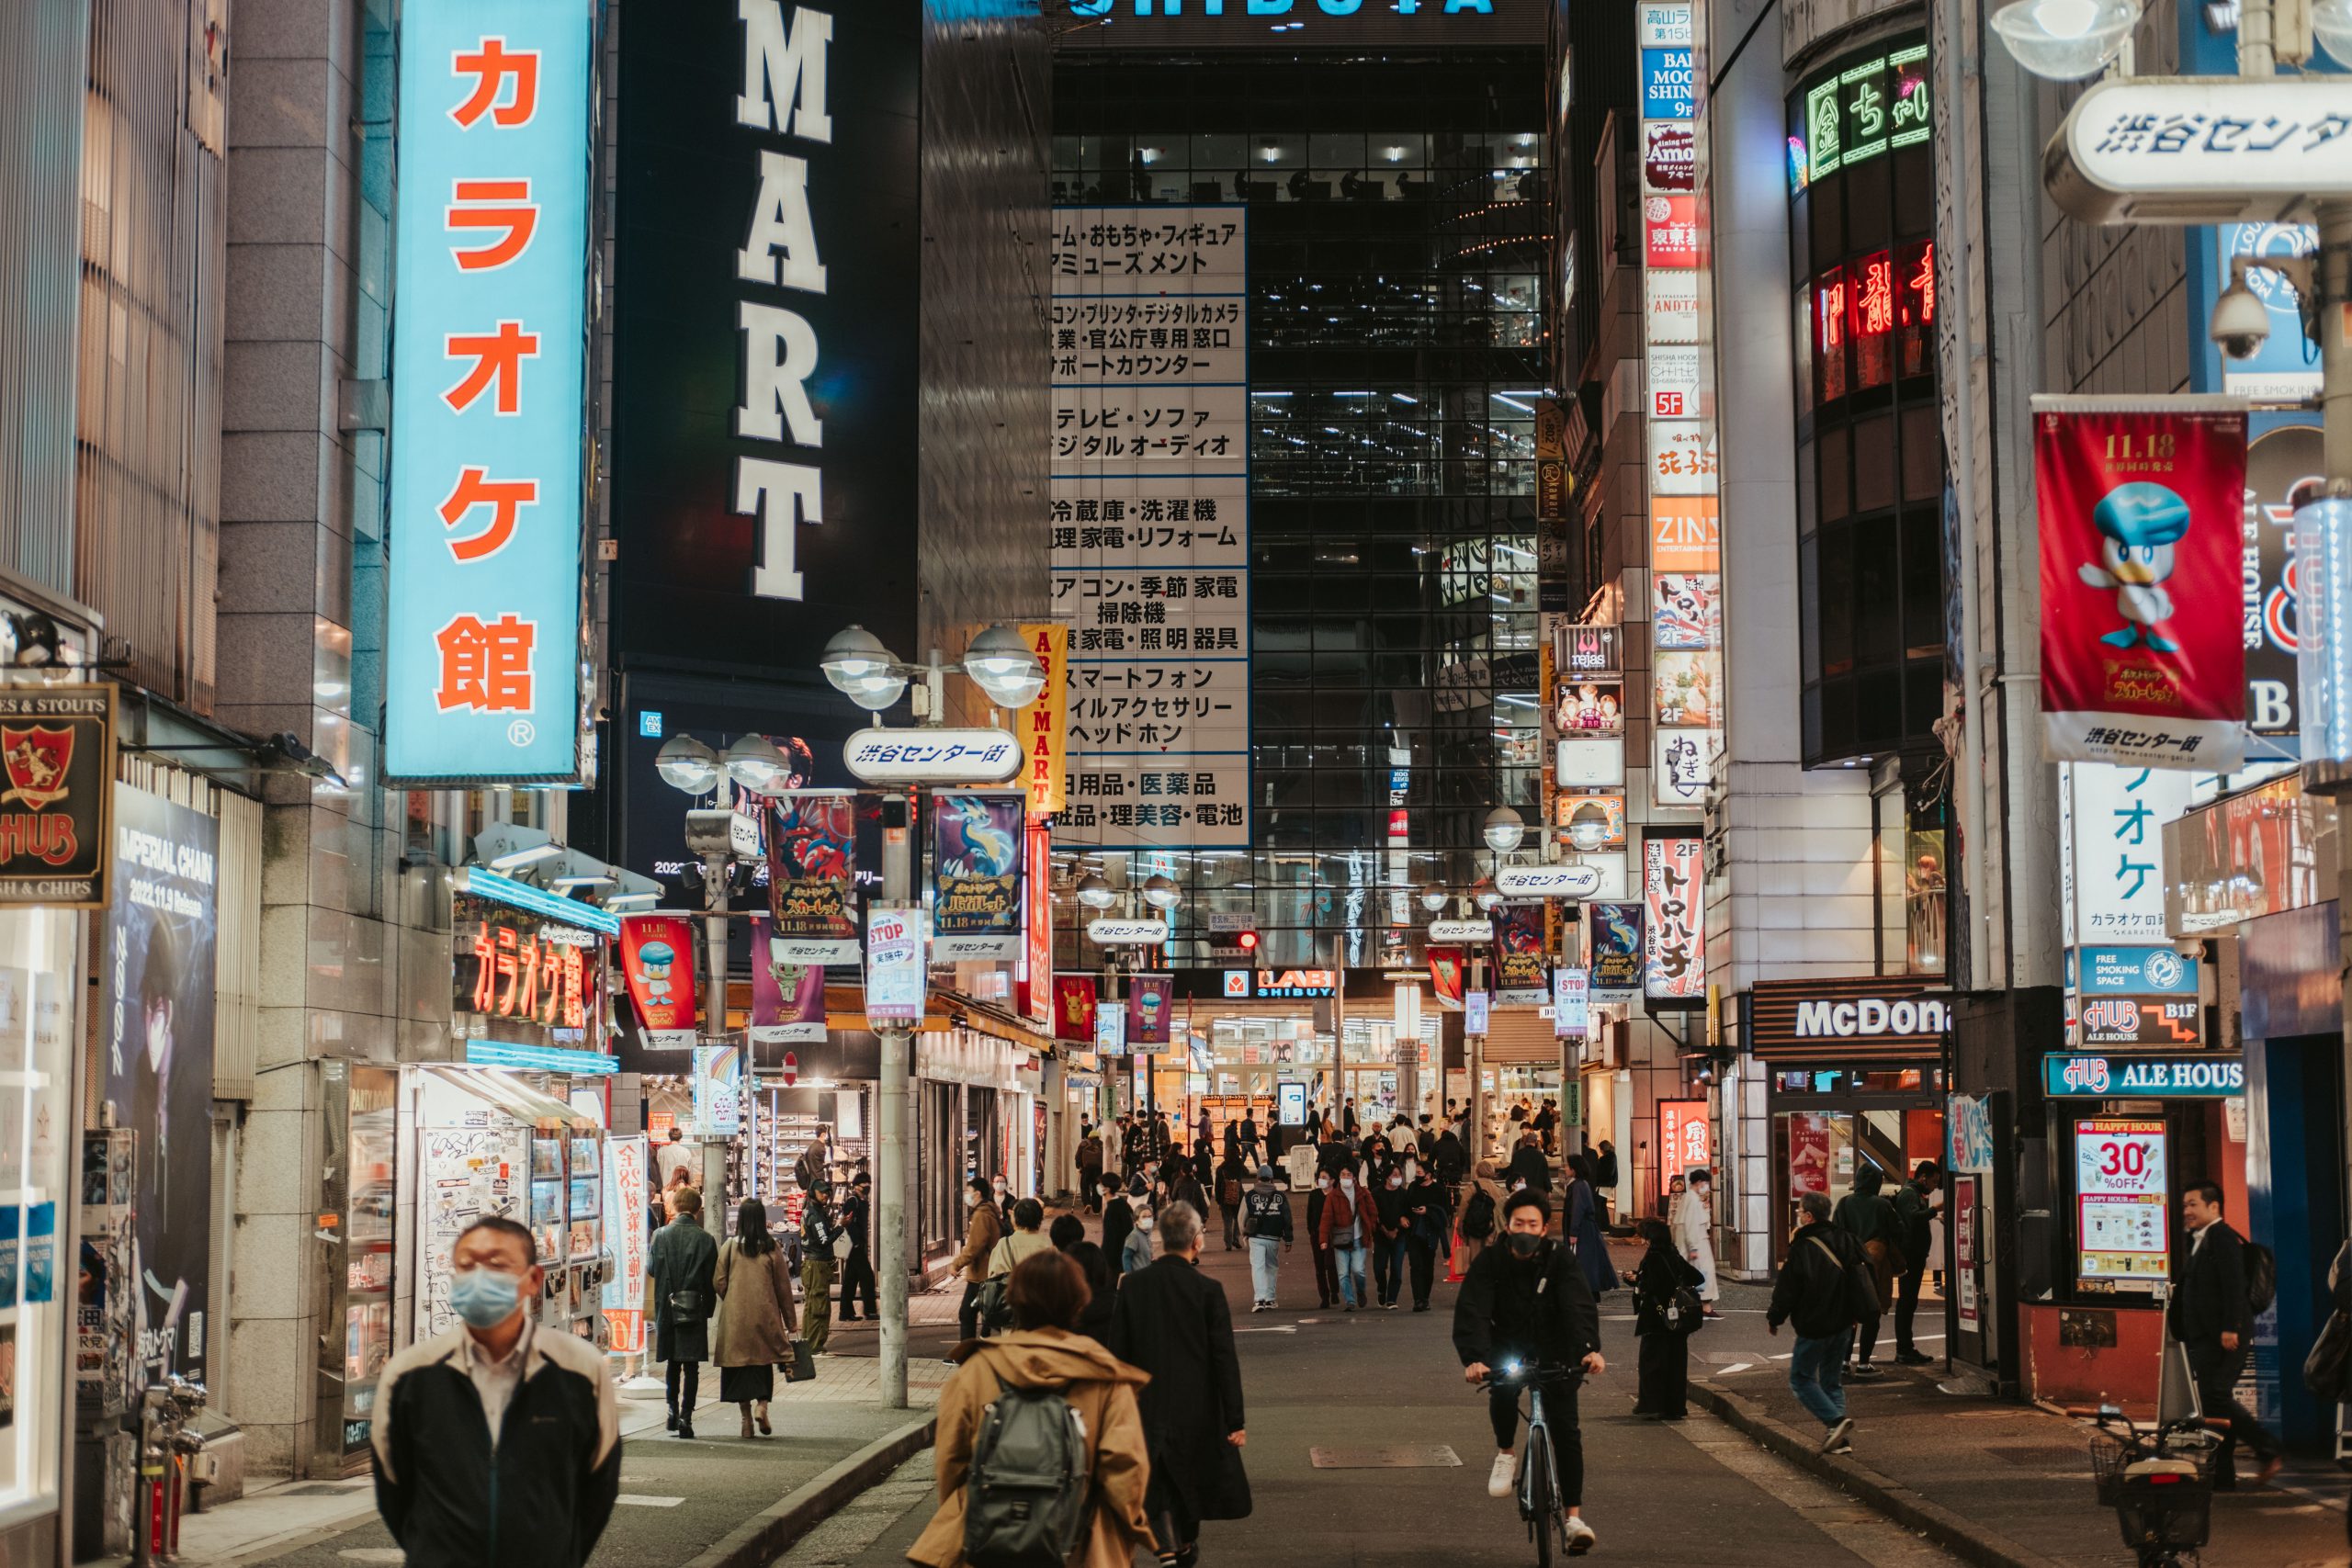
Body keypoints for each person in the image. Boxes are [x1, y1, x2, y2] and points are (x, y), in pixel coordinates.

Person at [371, 1216, 619, 1566]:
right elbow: (394, 1488)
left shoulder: (580, 1369)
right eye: (467, 1264)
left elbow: (598, 1484)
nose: (480, 1275)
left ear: (533, 1279)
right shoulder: (410, 1373)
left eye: (497, 1264)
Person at [910, 1251, 1155, 1568]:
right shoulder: (1104, 1378)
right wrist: (1132, 1529)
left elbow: (951, 1463)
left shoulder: (975, 1371)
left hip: (992, 1542)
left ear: (1011, 1300)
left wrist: (968, 1515)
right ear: (1079, 1302)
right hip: (1079, 1546)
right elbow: (1126, 1472)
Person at [1453, 1189, 1606, 1555]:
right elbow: (1473, 1309)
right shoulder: (1491, 1260)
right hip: (1507, 1346)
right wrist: (1475, 1358)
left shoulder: (1560, 1260)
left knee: (1567, 1431)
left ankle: (1573, 1519)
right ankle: (1506, 1452)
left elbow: (1578, 1304)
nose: (1524, 1228)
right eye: (1518, 1222)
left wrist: (1589, 1350)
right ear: (1508, 1224)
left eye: (1532, 1223)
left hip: (1558, 1349)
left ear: (1543, 1228)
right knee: (1502, 1390)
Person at [1108, 1203, 1250, 1564]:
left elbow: (1118, 1352)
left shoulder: (1133, 1287)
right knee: (1188, 1477)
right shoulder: (1207, 1290)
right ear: (1196, 1242)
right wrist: (1235, 1419)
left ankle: (1168, 1540)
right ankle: (1182, 1543)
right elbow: (1223, 1357)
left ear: (1159, 1238)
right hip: (1196, 1405)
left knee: (1155, 1476)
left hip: (1145, 1401)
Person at [2171, 1181, 2281, 1487]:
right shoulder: (2199, 1238)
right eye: (2185, 1205)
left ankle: (2267, 1448)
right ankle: (2223, 1475)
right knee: (2214, 1402)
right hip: (2205, 1335)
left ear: (2214, 1206)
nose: (2187, 1211)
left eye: (2193, 1204)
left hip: (2224, 1334)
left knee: (2216, 1395)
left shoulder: (2221, 1237)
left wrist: (2231, 1327)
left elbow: (2234, 1285)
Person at [1769, 1190, 1866, 1455]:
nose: (1798, 1216)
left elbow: (1788, 1289)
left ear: (1809, 1216)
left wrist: (1775, 1317)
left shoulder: (1802, 1246)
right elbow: (1861, 1275)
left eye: (1800, 1212)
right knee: (1831, 1381)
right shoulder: (1845, 1239)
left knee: (1801, 1378)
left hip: (1814, 1322)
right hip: (1844, 1321)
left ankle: (1834, 1422)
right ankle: (1840, 1440)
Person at [712, 1197, 797, 1438]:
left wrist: (733, 1298)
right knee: (763, 1364)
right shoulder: (771, 1247)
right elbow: (783, 1287)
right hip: (765, 1315)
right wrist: (791, 1323)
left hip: (736, 1320)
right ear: (762, 1220)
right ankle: (762, 1406)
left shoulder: (729, 1246)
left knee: (737, 1369)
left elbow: (718, 1281)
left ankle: (746, 1420)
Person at [648, 1186, 718, 1438]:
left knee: (672, 1363)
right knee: (691, 1367)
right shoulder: (706, 1240)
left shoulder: (660, 1235)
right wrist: (708, 1311)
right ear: (698, 1209)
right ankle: (687, 1417)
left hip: (667, 1308)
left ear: (675, 1206)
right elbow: (712, 1281)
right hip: (694, 1308)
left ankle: (671, 1411)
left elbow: (652, 1269)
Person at [1625, 1217, 1704, 1420]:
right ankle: (1675, 1407)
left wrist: (1636, 1279)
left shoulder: (1653, 1257)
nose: (1642, 1241)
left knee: (1652, 1363)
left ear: (1650, 1238)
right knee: (1676, 1365)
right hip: (1678, 1319)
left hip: (1656, 1318)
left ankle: (1652, 1405)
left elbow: (1650, 1286)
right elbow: (1697, 1278)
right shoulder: (1674, 1254)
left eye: (1643, 1237)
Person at [1833, 1165, 1899, 1378]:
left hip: (1849, 1265)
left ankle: (1843, 1362)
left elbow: (1835, 1232)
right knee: (1872, 1313)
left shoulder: (1844, 1203)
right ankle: (1863, 1364)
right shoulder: (1882, 1205)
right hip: (1874, 1267)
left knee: (1849, 1315)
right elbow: (1899, 1230)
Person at [1890, 1160, 1939, 1365]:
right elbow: (1913, 1218)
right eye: (1934, 1181)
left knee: (1908, 1301)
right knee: (1907, 1301)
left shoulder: (1913, 1193)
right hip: (1910, 1255)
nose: (1935, 1186)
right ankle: (1904, 1349)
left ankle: (1906, 1348)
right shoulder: (1910, 1193)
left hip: (1913, 1255)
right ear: (1923, 1177)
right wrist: (1935, 1210)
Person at [948, 1177, 1005, 1355]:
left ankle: (966, 1353)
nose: (966, 1195)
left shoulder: (981, 1215)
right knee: (985, 1313)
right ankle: (972, 1350)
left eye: (968, 1192)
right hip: (986, 1271)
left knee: (968, 1313)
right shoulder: (989, 1211)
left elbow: (975, 1245)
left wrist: (957, 1264)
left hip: (981, 1273)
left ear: (977, 1193)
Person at [1318, 1163, 1377, 1312]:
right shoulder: (1333, 1196)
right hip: (1340, 1240)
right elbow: (1326, 1219)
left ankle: (1360, 1291)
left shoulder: (1363, 1193)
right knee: (1343, 1273)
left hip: (1359, 1237)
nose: (1345, 1177)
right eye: (1343, 1175)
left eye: (1348, 1175)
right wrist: (1323, 1240)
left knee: (1358, 1270)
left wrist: (1370, 1228)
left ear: (1354, 1177)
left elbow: (1373, 1212)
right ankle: (1350, 1301)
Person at [1562, 1155, 1615, 1302]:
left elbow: (1577, 1210)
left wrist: (1573, 1232)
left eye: (1568, 1166)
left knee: (1582, 1262)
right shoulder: (1581, 1184)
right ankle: (1591, 1293)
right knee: (1588, 1262)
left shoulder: (1578, 1185)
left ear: (1574, 1169)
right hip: (1586, 1229)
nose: (1565, 1168)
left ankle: (1585, 1293)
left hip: (1582, 1230)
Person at [1243, 1163, 1294, 1312]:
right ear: (1272, 1179)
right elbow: (1287, 1218)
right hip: (1273, 1237)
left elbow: (1242, 1216)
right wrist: (1288, 1238)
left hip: (1256, 1236)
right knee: (1271, 1267)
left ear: (1258, 1178)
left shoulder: (1250, 1195)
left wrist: (1245, 1232)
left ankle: (1259, 1299)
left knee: (1257, 1267)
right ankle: (1271, 1298)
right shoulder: (1280, 1196)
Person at [799, 1179, 840, 1358]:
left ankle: (809, 1344)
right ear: (813, 1193)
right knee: (819, 1306)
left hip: (811, 1264)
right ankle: (816, 1346)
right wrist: (840, 1228)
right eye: (822, 1192)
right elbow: (824, 1240)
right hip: (817, 1265)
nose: (826, 1196)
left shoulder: (809, 1211)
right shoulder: (815, 1215)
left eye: (828, 1193)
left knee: (811, 1305)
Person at [1673, 1168, 1720, 1316]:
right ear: (1699, 1182)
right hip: (1697, 1244)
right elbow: (1692, 1224)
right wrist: (1693, 1248)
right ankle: (1705, 1306)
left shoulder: (1688, 1198)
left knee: (1696, 1274)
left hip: (1692, 1243)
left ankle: (1700, 1305)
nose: (1706, 1187)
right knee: (1703, 1273)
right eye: (1705, 1183)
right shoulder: (1692, 1199)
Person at [1403, 1160, 1446, 1312]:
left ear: (1428, 1175)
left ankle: (1425, 1298)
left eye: (1420, 1173)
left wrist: (1427, 1211)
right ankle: (1418, 1299)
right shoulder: (1413, 1187)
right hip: (1414, 1231)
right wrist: (1404, 1217)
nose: (1417, 1175)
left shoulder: (1439, 1190)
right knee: (1415, 1265)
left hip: (1430, 1232)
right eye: (1416, 1173)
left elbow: (1445, 1212)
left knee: (1428, 1266)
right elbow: (1405, 1206)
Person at [837, 1172, 876, 1323]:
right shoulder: (852, 1201)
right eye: (864, 1184)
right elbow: (849, 1224)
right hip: (854, 1245)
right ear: (857, 1186)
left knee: (850, 1280)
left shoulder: (862, 1200)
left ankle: (845, 1312)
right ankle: (870, 1310)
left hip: (858, 1244)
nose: (867, 1187)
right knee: (867, 1277)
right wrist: (857, 1242)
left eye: (868, 1184)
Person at [1373, 1162, 1411, 1310]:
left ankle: (1392, 1299)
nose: (1397, 1177)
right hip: (1381, 1236)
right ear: (1387, 1177)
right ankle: (1382, 1289)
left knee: (1397, 1268)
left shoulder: (1404, 1194)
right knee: (1379, 1267)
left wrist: (1398, 1228)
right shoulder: (1377, 1193)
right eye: (1394, 1175)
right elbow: (1374, 1215)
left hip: (1399, 1236)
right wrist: (1384, 1229)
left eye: (1399, 1175)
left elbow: (1408, 1215)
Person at [1456, 1160, 1506, 1269]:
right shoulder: (1498, 1190)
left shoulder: (1471, 1188)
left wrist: (1460, 1227)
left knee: (1475, 1259)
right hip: (1492, 1227)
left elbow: (1463, 1208)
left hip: (1474, 1226)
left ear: (1477, 1171)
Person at [989, 1197, 1054, 1280]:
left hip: (1013, 1291)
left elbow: (994, 1278)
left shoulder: (1004, 1244)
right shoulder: (1049, 1245)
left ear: (1015, 1219)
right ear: (1040, 1219)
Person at [1306, 1171, 1340, 1308]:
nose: (1321, 1180)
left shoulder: (1337, 1195)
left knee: (1330, 1264)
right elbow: (1310, 1214)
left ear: (1332, 1180)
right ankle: (1324, 1296)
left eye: (1324, 1178)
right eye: (1320, 1177)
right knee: (1319, 1267)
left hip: (1332, 1234)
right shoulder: (1314, 1195)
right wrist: (1312, 1230)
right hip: (1316, 1234)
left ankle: (1334, 1291)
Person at [1215, 1151, 1249, 1251]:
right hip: (1238, 1195)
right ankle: (1236, 1239)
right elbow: (1247, 1173)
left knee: (1227, 1220)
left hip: (1225, 1197)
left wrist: (1218, 1200)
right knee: (1238, 1218)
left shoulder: (1221, 1169)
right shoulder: (1239, 1167)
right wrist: (1241, 1162)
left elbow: (1217, 1185)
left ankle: (1228, 1243)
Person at [1102, 1179, 1138, 1273]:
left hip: (1116, 1256)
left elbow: (1110, 1237)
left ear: (1106, 1189)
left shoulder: (1111, 1209)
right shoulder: (1121, 1202)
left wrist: (1105, 1258)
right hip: (1126, 1249)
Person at [1508, 1131, 1551, 1197]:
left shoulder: (1517, 1155)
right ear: (1535, 1142)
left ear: (1525, 1142)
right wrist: (1548, 1189)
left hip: (1520, 1190)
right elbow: (1545, 1174)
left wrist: (1511, 1188)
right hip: (1537, 1190)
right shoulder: (1540, 1156)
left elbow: (1512, 1172)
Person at [793, 1126, 831, 1195]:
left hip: (812, 1182)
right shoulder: (821, 1148)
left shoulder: (812, 1146)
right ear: (823, 1135)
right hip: (819, 1184)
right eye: (829, 1134)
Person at [1078, 1122, 1106, 1213]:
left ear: (1089, 1136)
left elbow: (1078, 1156)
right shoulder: (1102, 1144)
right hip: (1099, 1169)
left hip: (1086, 1169)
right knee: (1096, 1187)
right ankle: (1097, 1209)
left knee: (1084, 1186)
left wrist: (1079, 1166)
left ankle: (1087, 1203)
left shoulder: (1083, 1144)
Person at [1123, 1203, 1157, 1276]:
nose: (1148, 1219)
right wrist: (1129, 1276)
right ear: (1136, 1221)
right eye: (1144, 1217)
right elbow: (1126, 1257)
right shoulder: (1134, 1236)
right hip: (1138, 1277)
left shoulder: (1146, 1234)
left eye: (1150, 1216)